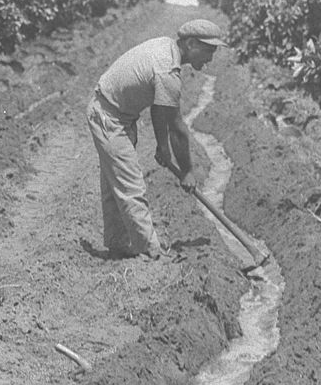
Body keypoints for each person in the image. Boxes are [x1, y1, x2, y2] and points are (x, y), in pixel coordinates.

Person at [86, 18, 226, 260]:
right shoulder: (167, 71)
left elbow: (158, 108)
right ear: (191, 43)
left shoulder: (165, 47)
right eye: (208, 51)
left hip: (117, 112)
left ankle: (119, 244)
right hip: (109, 116)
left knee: (115, 182)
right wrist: (188, 171)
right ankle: (150, 254)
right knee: (131, 186)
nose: (210, 59)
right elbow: (177, 127)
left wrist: (163, 148)